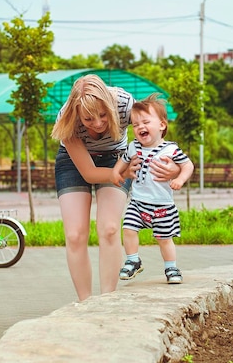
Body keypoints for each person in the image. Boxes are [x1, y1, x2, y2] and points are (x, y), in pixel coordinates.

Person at [51, 74, 179, 301]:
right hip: (74, 163)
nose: (98, 124)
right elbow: (89, 173)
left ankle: (106, 301)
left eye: (102, 115)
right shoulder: (67, 117)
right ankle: (86, 303)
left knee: (109, 228)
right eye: (88, 119)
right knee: (75, 234)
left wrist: (175, 167)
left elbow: (152, 131)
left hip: (116, 159)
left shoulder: (123, 102)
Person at [111, 93, 194, 284]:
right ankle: (133, 261)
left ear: (162, 125)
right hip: (138, 203)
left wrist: (180, 179)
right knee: (128, 228)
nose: (140, 127)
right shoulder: (134, 147)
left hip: (162, 205)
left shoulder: (171, 149)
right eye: (136, 124)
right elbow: (123, 161)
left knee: (164, 239)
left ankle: (171, 267)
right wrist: (116, 173)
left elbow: (188, 165)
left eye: (146, 122)